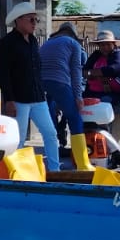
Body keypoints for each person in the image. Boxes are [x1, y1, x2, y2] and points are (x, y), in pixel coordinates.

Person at [0, 1, 60, 172]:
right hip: (19, 99)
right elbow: (3, 74)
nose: (34, 23)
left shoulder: (33, 41)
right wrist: (9, 100)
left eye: (35, 19)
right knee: (19, 139)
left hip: (38, 97)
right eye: (31, 19)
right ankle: (16, 173)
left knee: (51, 133)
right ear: (18, 20)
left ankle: (55, 170)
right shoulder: (6, 43)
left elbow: (37, 69)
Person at [41, 21, 90, 170]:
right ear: (73, 34)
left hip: (40, 84)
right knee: (75, 118)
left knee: (50, 125)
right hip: (60, 83)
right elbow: (76, 72)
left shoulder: (47, 43)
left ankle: (53, 163)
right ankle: (83, 164)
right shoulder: (73, 44)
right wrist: (78, 97)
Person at [84, 30, 120, 139]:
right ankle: (87, 136)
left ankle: (104, 137)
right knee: (82, 106)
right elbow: (84, 71)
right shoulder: (96, 55)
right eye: (102, 44)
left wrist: (94, 73)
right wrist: (100, 76)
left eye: (108, 44)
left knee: (102, 107)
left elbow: (115, 68)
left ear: (113, 44)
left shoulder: (119, 55)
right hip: (92, 92)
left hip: (113, 92)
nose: (105, 47)